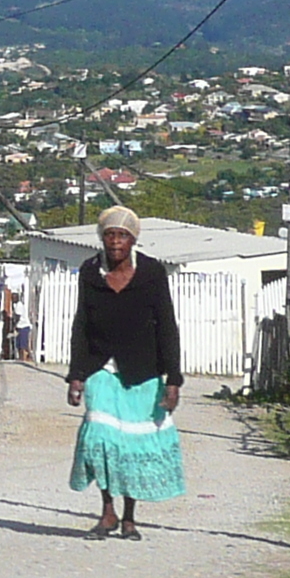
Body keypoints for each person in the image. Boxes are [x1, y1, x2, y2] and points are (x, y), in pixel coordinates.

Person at [66, 206, 184, 539]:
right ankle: (107, 512)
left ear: (133, 241)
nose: (116, 242)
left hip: (143, 372)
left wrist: (173, 380)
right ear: (101, 239)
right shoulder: (90, 273)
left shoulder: (151, 273)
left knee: (131, 445)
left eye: (122, 236)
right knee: (100, 440)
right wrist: (76, 375)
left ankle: (129, 518)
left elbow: (167, 326)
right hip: (102, 368)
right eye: (110, 235)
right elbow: (82, 324)